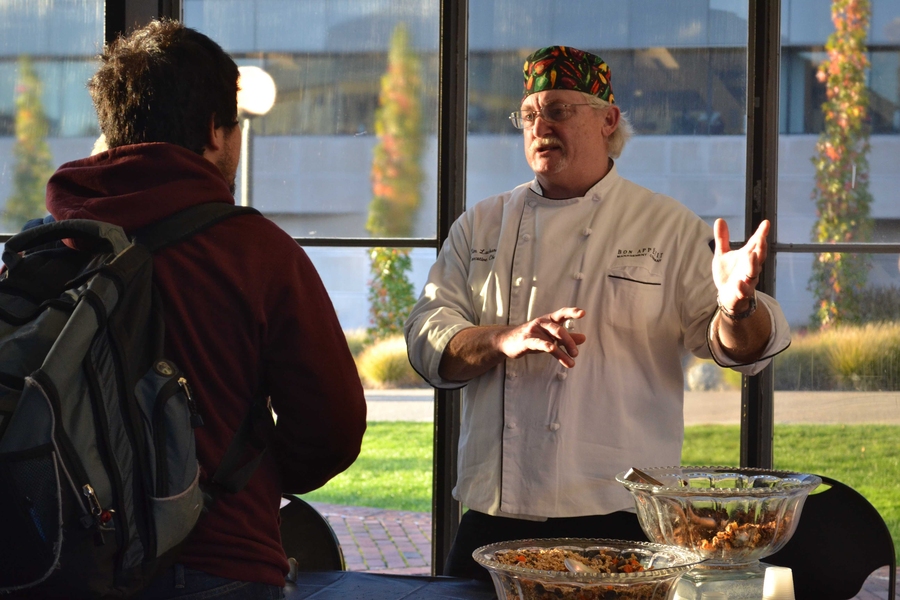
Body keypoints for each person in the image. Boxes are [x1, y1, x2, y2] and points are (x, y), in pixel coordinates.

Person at [404, 45, 791, 580]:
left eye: (559, 110)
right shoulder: (481, 225)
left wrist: (737, 305)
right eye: (530, 113)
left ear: (608, 120)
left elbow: (740, 348)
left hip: (623, 521)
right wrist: (503, 339)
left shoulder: (665, 226)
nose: (540, 126)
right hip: (494, 521)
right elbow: (427, 335)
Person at [43, 19, 367, 598]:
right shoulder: (258, 253)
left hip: (62, 560)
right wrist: (251, 474)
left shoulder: (50, 247)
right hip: (219, 559)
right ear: (217, 132)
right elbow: (333, 429)